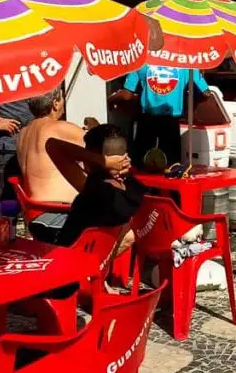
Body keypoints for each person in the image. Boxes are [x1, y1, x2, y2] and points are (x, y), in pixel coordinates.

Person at [54, 123, 140, 257]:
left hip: (84, 261)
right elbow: (54, 146)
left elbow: (54, 147)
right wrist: (105, 161)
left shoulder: (124, 184)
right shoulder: (95, 186)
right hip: (77, 261)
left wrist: (103, 161)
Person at [13, 89, 85, 239]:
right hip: (59, 215)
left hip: (33, 215)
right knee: (128, 233)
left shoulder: (23, 133)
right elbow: (106, 150)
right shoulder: (60, 128)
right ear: (55, 103)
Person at [110, 64, 209, 167]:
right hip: (171, 123)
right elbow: (206, 93)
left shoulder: (142, 62)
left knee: (142, 165)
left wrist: (110, 99)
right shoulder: (184, 61)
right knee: (171, 166)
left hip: (147, 123)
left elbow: (126, 96)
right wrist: (188, 103)